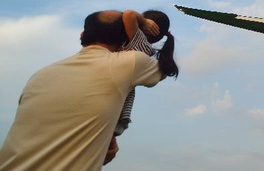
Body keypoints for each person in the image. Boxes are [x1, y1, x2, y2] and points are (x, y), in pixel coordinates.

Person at [0, 10, 164, 170]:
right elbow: (164, 71)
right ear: (124, 39)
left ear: (82, 35)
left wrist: (104, 136)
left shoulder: (39, 76)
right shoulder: (130, 62)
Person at [114, 9, 179, 136]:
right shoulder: (145, 50)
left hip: (112, 106)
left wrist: (143, 21)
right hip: (121, 110)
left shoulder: (138, 41)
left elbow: (129, 14)